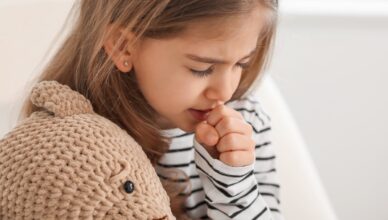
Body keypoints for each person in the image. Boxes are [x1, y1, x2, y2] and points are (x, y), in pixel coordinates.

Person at [19, 0, 282, 219]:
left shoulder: (247, 122)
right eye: (201, 69)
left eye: (241, 64)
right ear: (123, 46)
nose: (224, 92)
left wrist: (234, 183)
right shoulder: (74, 140)